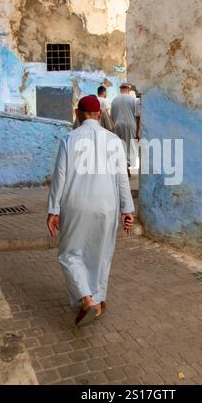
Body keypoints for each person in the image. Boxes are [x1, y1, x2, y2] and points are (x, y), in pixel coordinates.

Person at [47, 95, 135, 327]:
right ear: (98, 114)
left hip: (75, 205)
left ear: (78, 113)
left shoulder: (69, 139)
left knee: (69, 254)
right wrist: (128, 209)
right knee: (101, 254)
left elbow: (60, 177)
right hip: (107, 206)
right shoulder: (114, 140)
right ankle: (98, 300)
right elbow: (122, 179)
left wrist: (53, 210)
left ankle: (87, 299)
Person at [110, 83, 137, 176]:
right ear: (129, 90)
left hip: (117, 125)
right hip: (131, 125)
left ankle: (122, 166)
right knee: (130, 146)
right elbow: (136, 114)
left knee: (119, 146)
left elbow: (112, 116)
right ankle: (127, 165)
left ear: (120, 89)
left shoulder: (114, 100)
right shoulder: (133, 99)